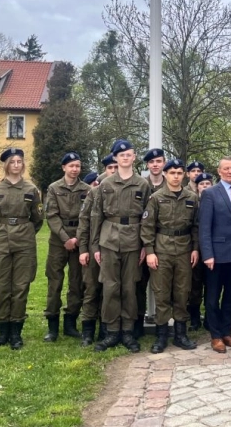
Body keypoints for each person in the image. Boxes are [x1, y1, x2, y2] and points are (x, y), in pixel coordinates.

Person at [90, 139, 151, 353]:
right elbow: (96, 215)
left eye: (129, 154)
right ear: (115, 158)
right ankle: (111, 332)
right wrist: (95, 246)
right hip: (109, 239)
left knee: (130, 287)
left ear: (134, 157)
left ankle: (128, 332)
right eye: (121, 155)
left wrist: (146, 246)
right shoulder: (105, 184)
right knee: (110, 287)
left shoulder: (143, 185)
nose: (125, 158)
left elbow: (147, 217)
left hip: (133, 240)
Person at [0, 148, 44, 350]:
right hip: (0, 239)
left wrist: (24, 232)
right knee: (1, 286)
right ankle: (2, 332)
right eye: (12, 162)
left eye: (19, 161)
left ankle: (16, 332)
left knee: (20, 286)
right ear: (6, 165)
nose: (16, 165)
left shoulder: (31, 190)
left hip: (24, 240)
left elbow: (37, 219)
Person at [142, 158, 200, 353]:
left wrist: (195, 249)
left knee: (183, 293)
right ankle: (161, 336)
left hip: (184, 251)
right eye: (172, 173)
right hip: (162, 251)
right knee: (162, 293)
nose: (176, 176)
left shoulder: (191, 197)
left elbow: (196, 226)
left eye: (179, 173)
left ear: (184, 175)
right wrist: (150, 252)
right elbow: (147, 227)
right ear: (165, 174)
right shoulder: (156, 198)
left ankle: (180, 334)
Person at [198, 157, 231, 353]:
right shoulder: (210, 193)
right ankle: (216, 336)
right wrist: (207, 254)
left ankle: (227, 333)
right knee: (212, 297)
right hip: (216, 255)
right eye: (226, 168)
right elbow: (204, 227)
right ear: (219, 171)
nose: (230, 171)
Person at [42, 151, 91, 342]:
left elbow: (87, 216)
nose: (74, 169)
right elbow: (52, 216)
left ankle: (70, 323)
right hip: (58, 240)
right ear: (64, 167)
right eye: (71, 166)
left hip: (79, 239)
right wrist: (65, 239)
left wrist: (77, 238)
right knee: (54, 282)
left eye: (77, 166)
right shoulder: (54, 188)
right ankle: (52, 326)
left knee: (77, 283)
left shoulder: (87, 189)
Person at [77, 155, 118, 347]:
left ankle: (106, 328)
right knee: (92, 289)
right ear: (105, 170)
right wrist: (84, 249)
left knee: (109, 291)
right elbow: (84, 224)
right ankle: (87, 331)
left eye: (116, 167)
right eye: (110, 167)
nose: (114, 170)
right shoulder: (93, 193)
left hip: (113, 249)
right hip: (94, 249)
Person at [140, 148, 165, 336]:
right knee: (139, 284)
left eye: (159, 161)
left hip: (166, 244)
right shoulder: (140, 185)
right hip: (141, 243)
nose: (155, 165)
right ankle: (138, 321)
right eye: (152, 162)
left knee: (165, 286)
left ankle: (163, 324)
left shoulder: (172, 184)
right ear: (147, 165)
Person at [187, 171, 214, 331]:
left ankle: (210, 318)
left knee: (211, 285)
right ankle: (194, 317)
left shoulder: (216, 200)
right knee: (195, 285)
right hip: (194, 250)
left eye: (207, 184)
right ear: (197, 187)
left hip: (211, 250)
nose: (204, 186)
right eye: (201, 184)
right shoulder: (191, 201)